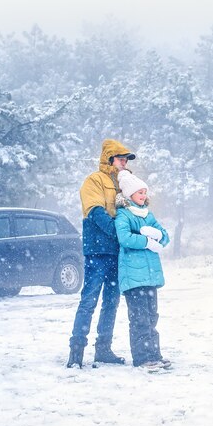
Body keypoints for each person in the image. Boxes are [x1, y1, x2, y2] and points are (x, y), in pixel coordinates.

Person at [66, 139, 136, 368]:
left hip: (118, 252)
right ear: (109, 159)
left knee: (111, 302)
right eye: (120, 159)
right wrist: (119, 232)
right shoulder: (93, 181)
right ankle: (76, 352)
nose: (124, 163)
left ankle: (103, 349)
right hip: (98, 250)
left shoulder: (126, 184)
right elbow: (95, 211)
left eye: (126, 159)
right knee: (89, 299)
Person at [115, 169, 171, 370]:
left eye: (144, 192)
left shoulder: (148, 215)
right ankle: (141, 358)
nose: (143, 196)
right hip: (133, 277)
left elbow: (165, 236)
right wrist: (146, 240)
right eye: (140, 193)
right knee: (139, 319)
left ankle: (155, 354)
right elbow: (125, 238)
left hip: (149, 277)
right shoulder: (123, 215)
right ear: (130, 195)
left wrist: (158, 235)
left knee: (151, 317)